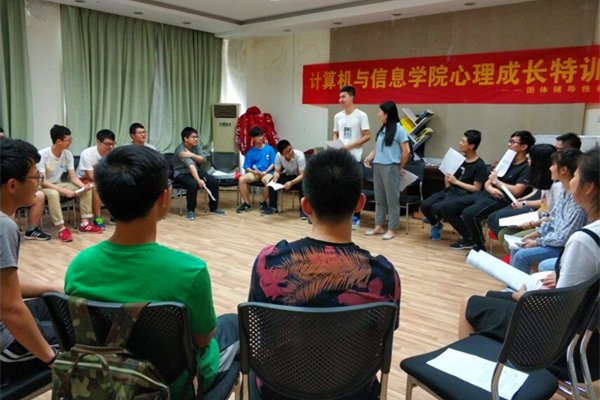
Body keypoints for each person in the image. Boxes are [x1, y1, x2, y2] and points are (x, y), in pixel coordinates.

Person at [64, 146, 239, 398]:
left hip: (105, 378)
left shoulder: (79, 265)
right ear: (163, 197)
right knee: (232, 324)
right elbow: (202, 339)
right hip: (171, 385)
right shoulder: (189, 271)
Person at [249, 149, 401, 400]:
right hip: (352, 392)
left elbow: (261, 327)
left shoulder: (268, 262)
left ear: (305, 206)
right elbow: (382, 336)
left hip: (279, 390)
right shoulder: (384, 276)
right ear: (360, 203)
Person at [458, 147, 599, 379]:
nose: (572, 180)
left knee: (469, 305)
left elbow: (558, 311)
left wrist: (524, 297)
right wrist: (563, 277)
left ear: (589, 187)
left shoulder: (582, 241)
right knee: (492, 296)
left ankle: (476, 380)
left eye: (576, 175)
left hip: (559, 342)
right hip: (586, 333)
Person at [1, 138, 62, 378]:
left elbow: (5, 289)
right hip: (6, 343)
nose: (39, 184)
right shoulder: (3, 226)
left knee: (60, 302)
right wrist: (51, 358)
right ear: (12, 185)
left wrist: (51, 287)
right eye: (36, 177)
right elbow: (10, 309)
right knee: (88, 335)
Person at [440, 131, 535, 250]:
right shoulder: (506, 161)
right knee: (447, 207)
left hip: (501, 199)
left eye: (513, 142)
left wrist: (497, 183)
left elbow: (517, 191)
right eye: (509, 141)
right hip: (486, 194)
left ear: (523, 147)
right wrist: (490, 187)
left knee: (469, 213)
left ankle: (479, 246)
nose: (509, 144)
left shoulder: (526, 167)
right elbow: (488, 181)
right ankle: (468, 237)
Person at [509, 149, 588, 274]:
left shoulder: (576, 201)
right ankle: (518, 283)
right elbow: (553, 219)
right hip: (555, 242)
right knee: (516, 247)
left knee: (521, 256)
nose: (550, 168)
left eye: (553, 165)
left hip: (564, 247)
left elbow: (564, 238)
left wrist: (538, 242)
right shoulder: (564, 191)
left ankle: (521, 285)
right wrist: (537, 233)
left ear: (563, 170)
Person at [38, 125, 103, 242]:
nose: (70, 142)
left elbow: (73, 178)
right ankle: (61, 229)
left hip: (59, 184)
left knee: (86, 189)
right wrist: (64, 191)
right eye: (68, 140)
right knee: (53, 194)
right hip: (44, 187)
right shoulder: (42, 155)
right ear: (59, 141)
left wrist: (83, 186)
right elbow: (43, 182)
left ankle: (85, 224)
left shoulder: (67, 154)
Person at [487, 144, 556, 254]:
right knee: (501, 229)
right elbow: (543, 206)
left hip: (547, 225)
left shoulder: (556, 185)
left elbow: (553, 216)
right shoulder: (544, 181)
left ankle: (518, 257)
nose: (528, 161)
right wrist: (525, 204)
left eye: (530, 159)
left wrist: (531, 223)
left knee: (503, 227)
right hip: (539, 218)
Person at [420, 130, 487, 241]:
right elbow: (448, 175)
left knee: (438, 208)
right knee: (425, 205)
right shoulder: (459, 159)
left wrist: (456, 182)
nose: (460, 143)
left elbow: (476, 188)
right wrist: (448, 188)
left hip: (465, 194)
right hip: (451, 190)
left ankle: (467, 235)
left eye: (463, 141)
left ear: (471, 146)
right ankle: (436, 223)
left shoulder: (480, 165)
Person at [363, 101, 410, 240]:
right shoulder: (383, 130)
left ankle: (392, 229)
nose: (378, 114)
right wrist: (369, 158)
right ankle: (378, 226)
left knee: (392, 200)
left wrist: (399, 167)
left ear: (387, 113)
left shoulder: (399, 130)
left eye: (380, 111)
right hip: (378, 166)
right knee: (379, 199)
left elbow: (406, 151)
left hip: (390, 167)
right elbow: (377, 148)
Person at [333, 85, 372, 230]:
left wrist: (351, 145)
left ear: (352, 98)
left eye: (343, 97)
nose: (340, 100)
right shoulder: (338, 116)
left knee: (353, 188)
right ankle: (341, 216)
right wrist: (336, 143)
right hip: (340, 157)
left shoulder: (361, 115)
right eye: (339, 97)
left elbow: (368, 135)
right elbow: (335, 133)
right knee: (339, 187)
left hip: (354, 157)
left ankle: (355, 217)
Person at [173, 127, 225, 219]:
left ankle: (213, 208)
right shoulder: (180, 150)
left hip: (195, 171)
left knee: (213, 181)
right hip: (181, 173)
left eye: (196, 137)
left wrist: (191, 154)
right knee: (193, 183)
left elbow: (203, 159)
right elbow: (191, 165)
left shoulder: (197, 146)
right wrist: (198, 180)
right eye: (193, 137)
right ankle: (191, 210)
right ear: (185, 138)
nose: (196, 139)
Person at [76, 129, 116, 229]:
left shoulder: (112, 154)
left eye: (112, 144)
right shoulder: (87, 153)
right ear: (98, 142)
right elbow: (90, 176)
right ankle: (97, 217)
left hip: (104, 179)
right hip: (83, 179)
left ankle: (115, 214)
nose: (110, 147)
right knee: (96, 186)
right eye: (107, 144)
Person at [262, 140, 307, 218]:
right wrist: (275, 178)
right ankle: (273, 207)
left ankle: (303, 210)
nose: (291, 152)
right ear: (282, 154)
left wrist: (291, 183)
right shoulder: (278, 156)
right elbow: (277, 171)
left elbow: (302, 175)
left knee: (303, 183)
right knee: (272, 182)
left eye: (291, 149)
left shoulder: (299, 155)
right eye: (287, 152)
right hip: (288, 175)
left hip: (299, 177)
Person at [236, 127, 276, 214]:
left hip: (267, 172)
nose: (261, 138)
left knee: (269, 181)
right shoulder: (250, 152)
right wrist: (254, 172)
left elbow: (273, 164)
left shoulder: (270, 149)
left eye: (261, 135)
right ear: (253, 138)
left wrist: (265, 172)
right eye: (258, 136)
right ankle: (247, 203)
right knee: (241, 179)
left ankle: (263, 202)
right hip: (255, 173)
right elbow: (247, 167)